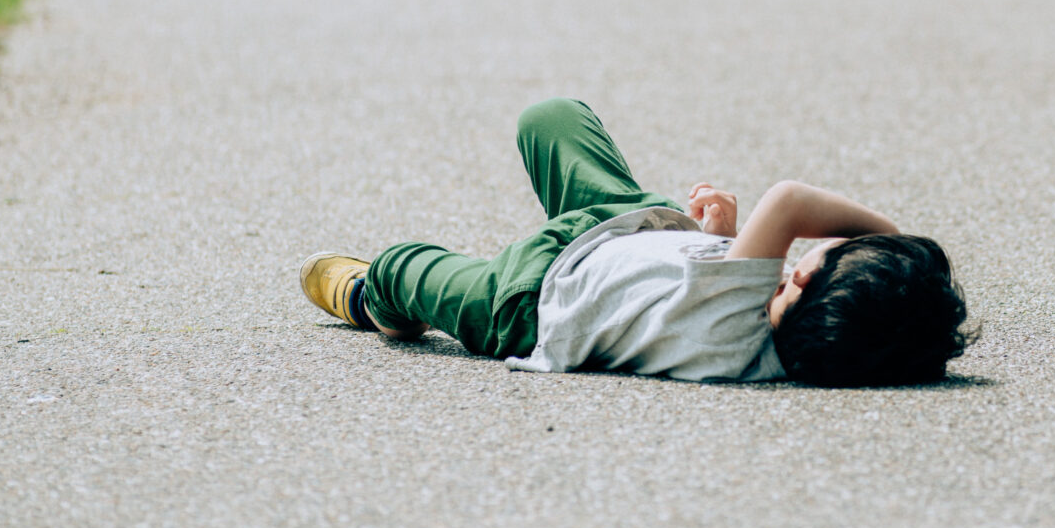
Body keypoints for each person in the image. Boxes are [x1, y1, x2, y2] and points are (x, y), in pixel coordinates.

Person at [297, 98, 973, 387]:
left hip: (530, 301)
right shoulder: (783, 348)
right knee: (553, 121)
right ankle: (389, 284)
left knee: (410, 266)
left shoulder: (744, 317)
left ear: (802, 289)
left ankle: (375, 298)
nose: (797, 262)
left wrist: (899, 245)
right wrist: (723, 240)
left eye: (812, 263)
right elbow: (689, 302)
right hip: (630, 227)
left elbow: (790, 201)